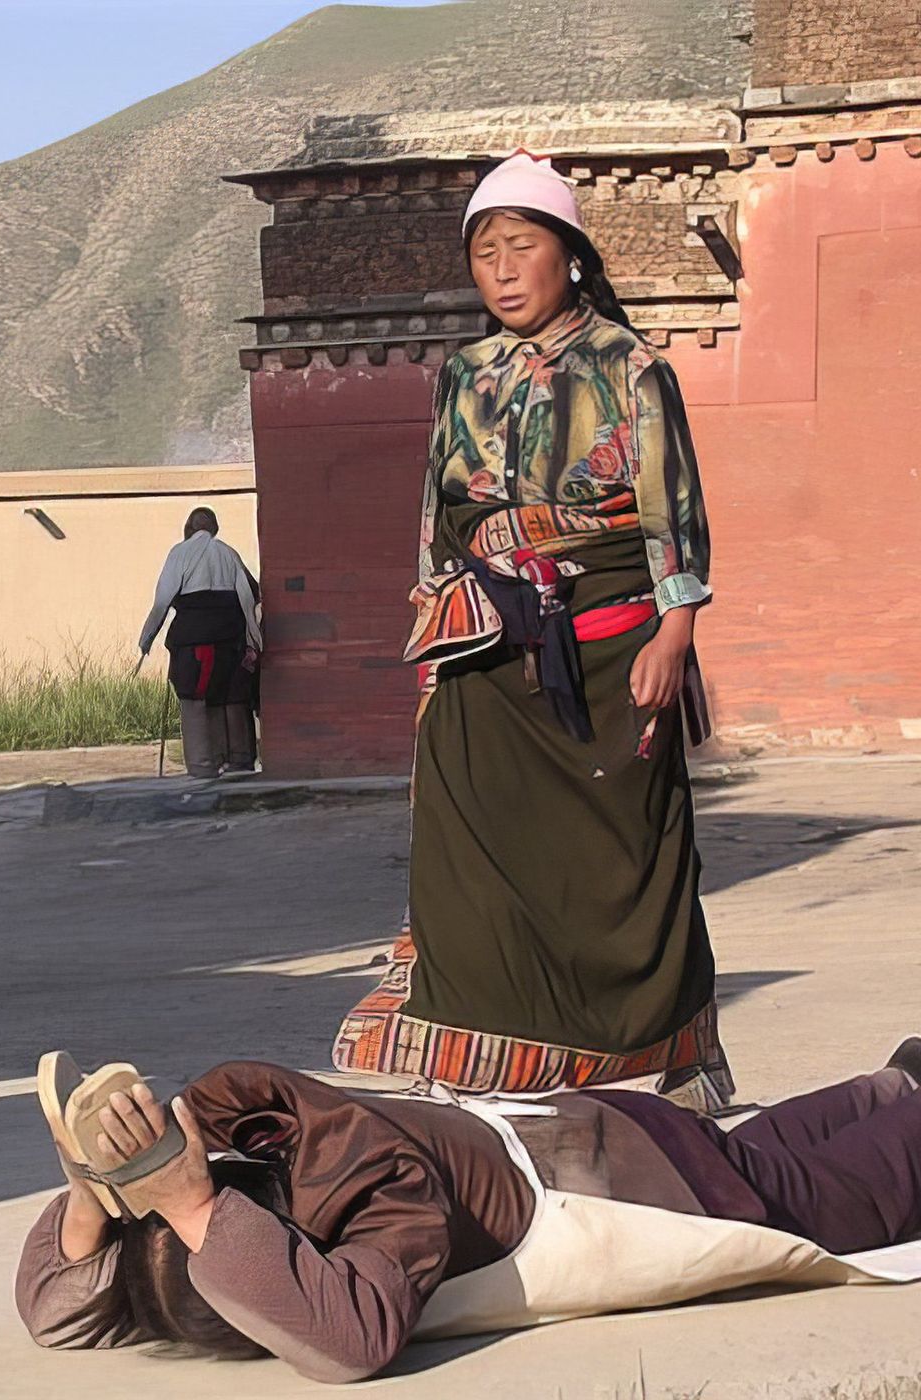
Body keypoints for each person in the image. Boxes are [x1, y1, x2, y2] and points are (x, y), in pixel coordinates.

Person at [333, 150, 727, 1101]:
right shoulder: (462, 375)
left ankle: (668, 1052)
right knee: (467, 852)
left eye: (523, 246)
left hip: (611, 648)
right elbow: (438, 516)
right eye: (485, 253)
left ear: (572, 257)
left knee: (626, 858)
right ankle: (469, 1054)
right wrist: (434, 624)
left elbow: (672, 505)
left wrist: (673, 633)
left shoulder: (631, 368)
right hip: (483, 652)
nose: (503, 269)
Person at [15, 1036, 921, 1385]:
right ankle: (882, 1089)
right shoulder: (243, 1123)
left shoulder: (364, 1180)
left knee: (821, 1204)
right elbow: (58, 1308)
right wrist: (91, 1194)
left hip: (614, 1176)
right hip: (586, 1128)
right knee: (748, 1148)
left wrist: (187, 1201)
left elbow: (348, 1342)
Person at [138, 507, 261, 778]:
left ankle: (203, 766)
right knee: (230, 697)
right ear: (214, 528)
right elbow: (248, 598)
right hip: (230, 639)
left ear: (188, 528)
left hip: (194, 641)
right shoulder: (229, 553)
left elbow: (162, 600)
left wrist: (146, 638)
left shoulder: (179, 553)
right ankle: (239, 761)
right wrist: (253, 639)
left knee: (194, 700)